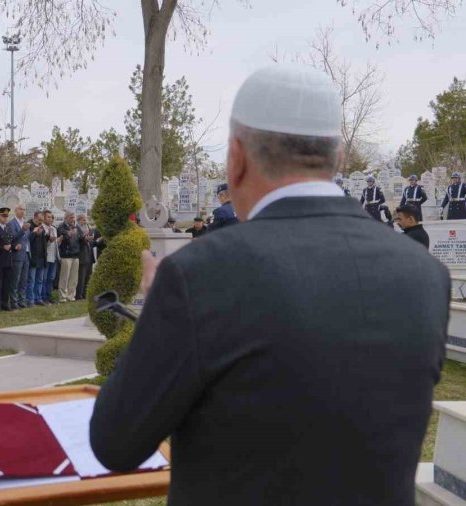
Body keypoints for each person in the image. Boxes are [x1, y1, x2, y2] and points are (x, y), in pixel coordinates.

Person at [90, 64, 449, 506]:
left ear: (237, 157)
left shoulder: (199, 274)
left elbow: (116, 441)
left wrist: (159, 312)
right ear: (338, 158)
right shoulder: (425, 275)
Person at [6, 204, 31, 308]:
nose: (23, 211)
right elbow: (11, 238)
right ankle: (14, 301)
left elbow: (27, 239)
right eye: (21, 209)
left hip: (26, 254)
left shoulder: (25, 223)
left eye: (24, 209)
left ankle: (22, 300)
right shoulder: (11, 224)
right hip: (17, 255)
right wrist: (22, 230)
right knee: (15, 280)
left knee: (24, 280)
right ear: (16, 211)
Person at [57, 212, 81, 302]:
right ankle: (62, 296)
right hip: (66, 255)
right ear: (66, 218)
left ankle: (71, 296)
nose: (73, 219)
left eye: (74, 218)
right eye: (71, 217)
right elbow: (62, 235)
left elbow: (80, 236)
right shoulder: (61, 226)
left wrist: (85, 237)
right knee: (64, 277)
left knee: (74, 278)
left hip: (76, 254)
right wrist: (69, 233)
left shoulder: (76, 227)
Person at [27, 211, 48, 306]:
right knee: (31, 280)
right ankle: (30, 299)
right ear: (35, 217)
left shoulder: (42, 226)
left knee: (40, 280)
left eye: (42, 220)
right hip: (33, 257)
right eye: (39, 219)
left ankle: (38, 298)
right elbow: (28, 239)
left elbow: (44, 242)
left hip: (42, 257)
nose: (41, 221)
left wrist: (48, 236)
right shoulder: (29, 225)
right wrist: (35, 233)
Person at [75, 214, 94, 300]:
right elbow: (78, 241)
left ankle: (86, 294)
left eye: (85, 220)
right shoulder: (77, 229)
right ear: (79, 221)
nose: (85, 221)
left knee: (88, 276)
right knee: (81, 277)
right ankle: (79, 294)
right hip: (82, 255)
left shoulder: (88, 228)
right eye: (83, 220)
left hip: (89, 255)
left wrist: (91, 239)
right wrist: (84, 238)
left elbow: (91, 240)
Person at [42, 210, 59, 304]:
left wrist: (58, 241)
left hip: (54, 256)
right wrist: (49, 240)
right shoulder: (42, 228)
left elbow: (55, 243)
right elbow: (43, 244)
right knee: (44, 278)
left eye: (51, 217)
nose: (50, 219)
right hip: (46, 257)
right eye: (48, 217)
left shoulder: (54, 229)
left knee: (51, 278)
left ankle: (49, 296)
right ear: (44, 218)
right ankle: (43, 297)